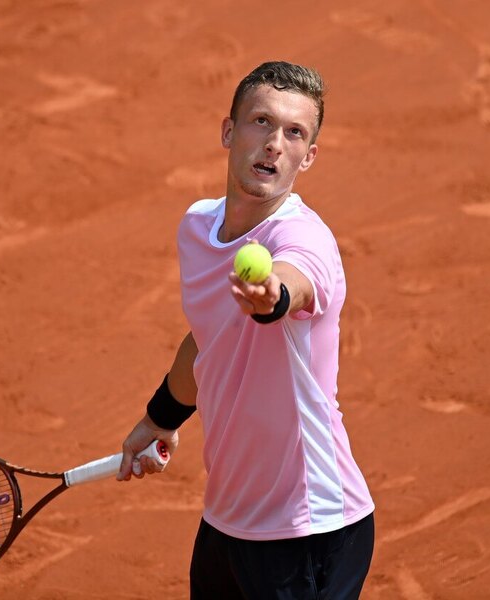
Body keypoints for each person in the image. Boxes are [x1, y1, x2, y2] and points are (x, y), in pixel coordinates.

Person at [117, 61, 375, 599]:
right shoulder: (197, 227)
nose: (275, 143)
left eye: (295, 133)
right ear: (229, 131)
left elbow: (292, 284)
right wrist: (159, 418)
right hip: (228, 518)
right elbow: (209, 342)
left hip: (307, 527)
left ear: (309, 157)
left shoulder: (306, 240)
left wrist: (270, 299)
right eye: (261, 122)